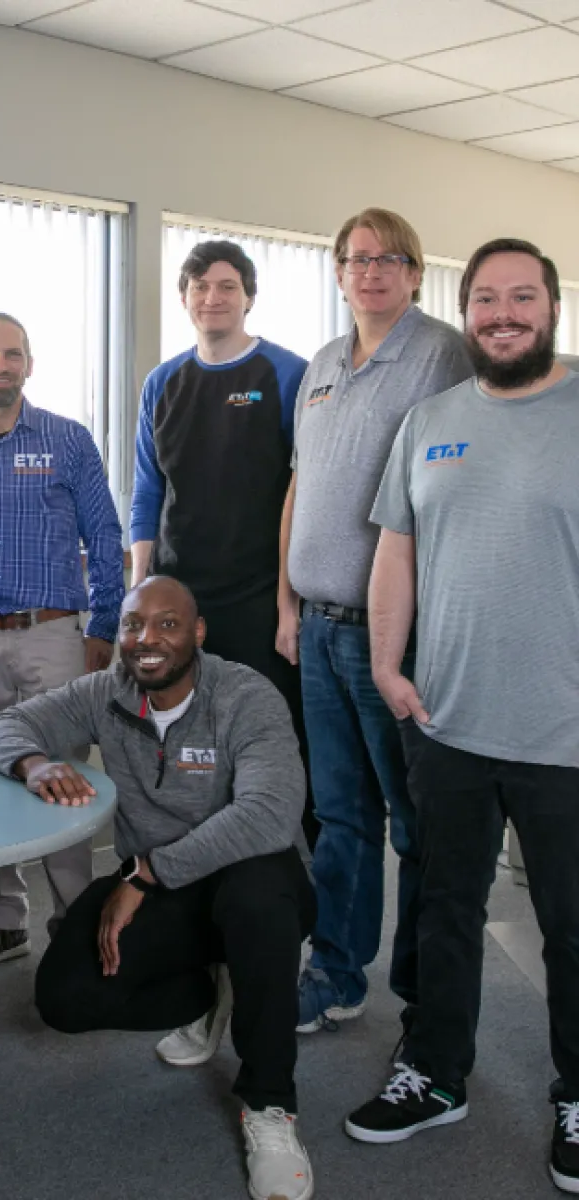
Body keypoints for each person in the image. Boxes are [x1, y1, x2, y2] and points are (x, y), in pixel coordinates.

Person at [346, 238, 579, 1194]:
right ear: (467, 308)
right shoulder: (430, 420)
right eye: (486, 298)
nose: (502, 314)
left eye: (523, 296)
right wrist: (386, 667)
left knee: (572, 927)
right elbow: (396, 549)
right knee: (442, 912)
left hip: (567, 738)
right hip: (444, 722)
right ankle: (436, 1073)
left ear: (554, 308)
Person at [0, 576, 314, 1200]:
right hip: (166, 885)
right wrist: (37, 762)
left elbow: (270, 814)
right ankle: (214, 992)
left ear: (197, 632)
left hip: (253, 873)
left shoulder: (246, 696)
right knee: (64, 999)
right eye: (134, 624)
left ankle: (270, 1105)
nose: (146, 639)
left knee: (256, 906)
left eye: (167, 624)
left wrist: (146, 873)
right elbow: (4, 727)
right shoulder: (107, 693)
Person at [277, 208, 474, 1036]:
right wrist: (286, 606)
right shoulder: (321, 364)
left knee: (415, 823)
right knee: (341, 816)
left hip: (390, 636)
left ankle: (429, 993)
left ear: (415, 273)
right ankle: (337, 972)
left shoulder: (443, 355)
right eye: (357, 259)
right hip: (316, 629)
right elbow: (299, 488)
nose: (371, 272)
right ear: (338, 273)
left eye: (389, 259)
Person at [0, 312, 125, 976]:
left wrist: (101, 629)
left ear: (29, 365)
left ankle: (74, 918)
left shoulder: (68, 442)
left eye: (11, 355)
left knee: (63, 774)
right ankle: (5, 922)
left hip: (52, 634)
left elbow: (106, 539)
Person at [131, 240, 310, 830]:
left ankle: (284, 880)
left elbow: (304, 493)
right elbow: (147, 494)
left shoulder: (287, 375)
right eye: (201, 287)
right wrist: (139, 601)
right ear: (184, 299)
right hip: (183, 601)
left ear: (249, 298)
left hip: (261, 601)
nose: (214, 298)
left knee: (273, 746)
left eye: (228, 287)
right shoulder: (163, 384)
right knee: (189, 750)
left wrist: (289, 607)